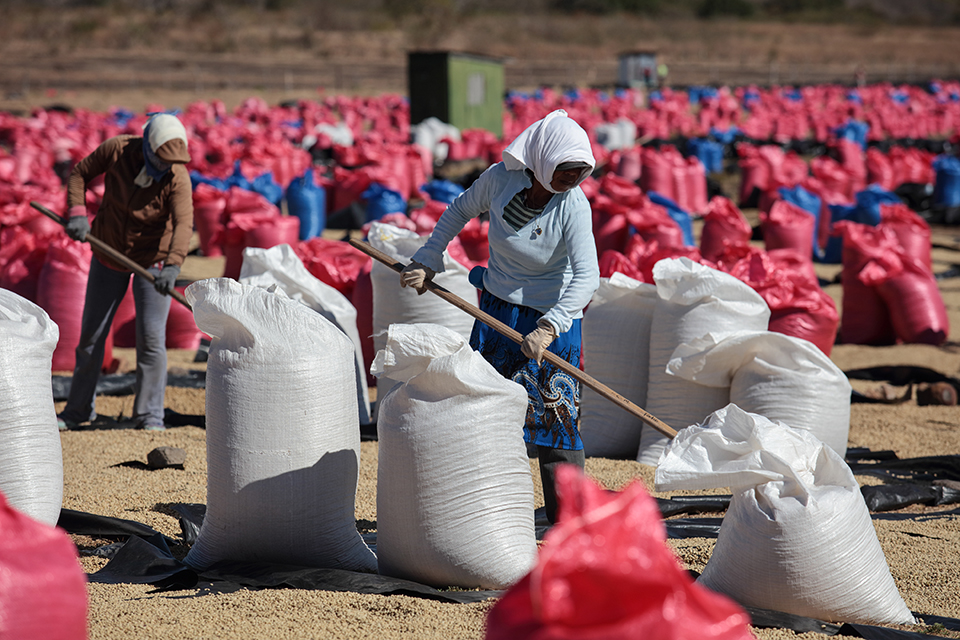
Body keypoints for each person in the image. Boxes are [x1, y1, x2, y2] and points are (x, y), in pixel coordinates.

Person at [399, 109, 599, 524]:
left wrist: (548, 327)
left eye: (581, 171)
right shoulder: (500, 180)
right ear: (542, 159)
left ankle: (568, 524)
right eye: (565, 170)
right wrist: (430, 257)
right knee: (485, 407)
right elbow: (457, 211)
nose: (573, 178)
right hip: (497, 311)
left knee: (555, 420)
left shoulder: (573, 206)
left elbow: (587, 275)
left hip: (552, 321)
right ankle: (484, 513)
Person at [56, 113, 194, 432]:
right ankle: (77, 411)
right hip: (108, 250)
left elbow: (184, 224)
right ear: (147, 147)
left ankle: (149, 415)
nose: (165, 166)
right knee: (92, 336)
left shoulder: (177, 177)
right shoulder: (117, 150)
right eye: (160, 159)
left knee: (151, 339)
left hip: (152, 261)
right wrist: (77, 213)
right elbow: (79, 174)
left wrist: (172, 266)